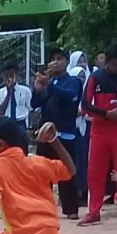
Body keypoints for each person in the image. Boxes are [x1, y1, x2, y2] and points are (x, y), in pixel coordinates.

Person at [79, 43, 117, 226]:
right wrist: (105, 114)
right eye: (114, 65)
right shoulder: (96, 77)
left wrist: (115, 114)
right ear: (107, 62)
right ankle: (93, 211)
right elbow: (86, 103)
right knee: (95, 172)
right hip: (99, 130)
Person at [31, 48, 83, 220]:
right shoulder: (48, 82)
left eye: (59, 58)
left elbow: (69, 97)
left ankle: (71, 209)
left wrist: (49, 85)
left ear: (67, 62)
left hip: (65, 134)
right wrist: (37, 89)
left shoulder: (73, 81)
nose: (55, 62)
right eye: (52, 59)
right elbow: (35, 103)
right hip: (46, 133)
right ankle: (43, 208)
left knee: (67, 172)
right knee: (42, 172)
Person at [0, 61, 32, 153]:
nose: (9, 78)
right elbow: (0, 112)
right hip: (6, 124)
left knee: (22, 151)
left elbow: (31, 109)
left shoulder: (25, 90)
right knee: (6, 151)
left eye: (11, 75)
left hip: (20, 123)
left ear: (16, 75)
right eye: (6, 76)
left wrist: (30, 128)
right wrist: (9, 93)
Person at [69, 66, 90, 204]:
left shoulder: (88, 91)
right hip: (71, 129)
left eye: (83, 76)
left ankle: (83, 193)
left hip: (85, 129)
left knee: (83, 162)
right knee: (72, 162)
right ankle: (72, 194)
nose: (81, 79)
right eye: (78, 77)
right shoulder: (70, 90)